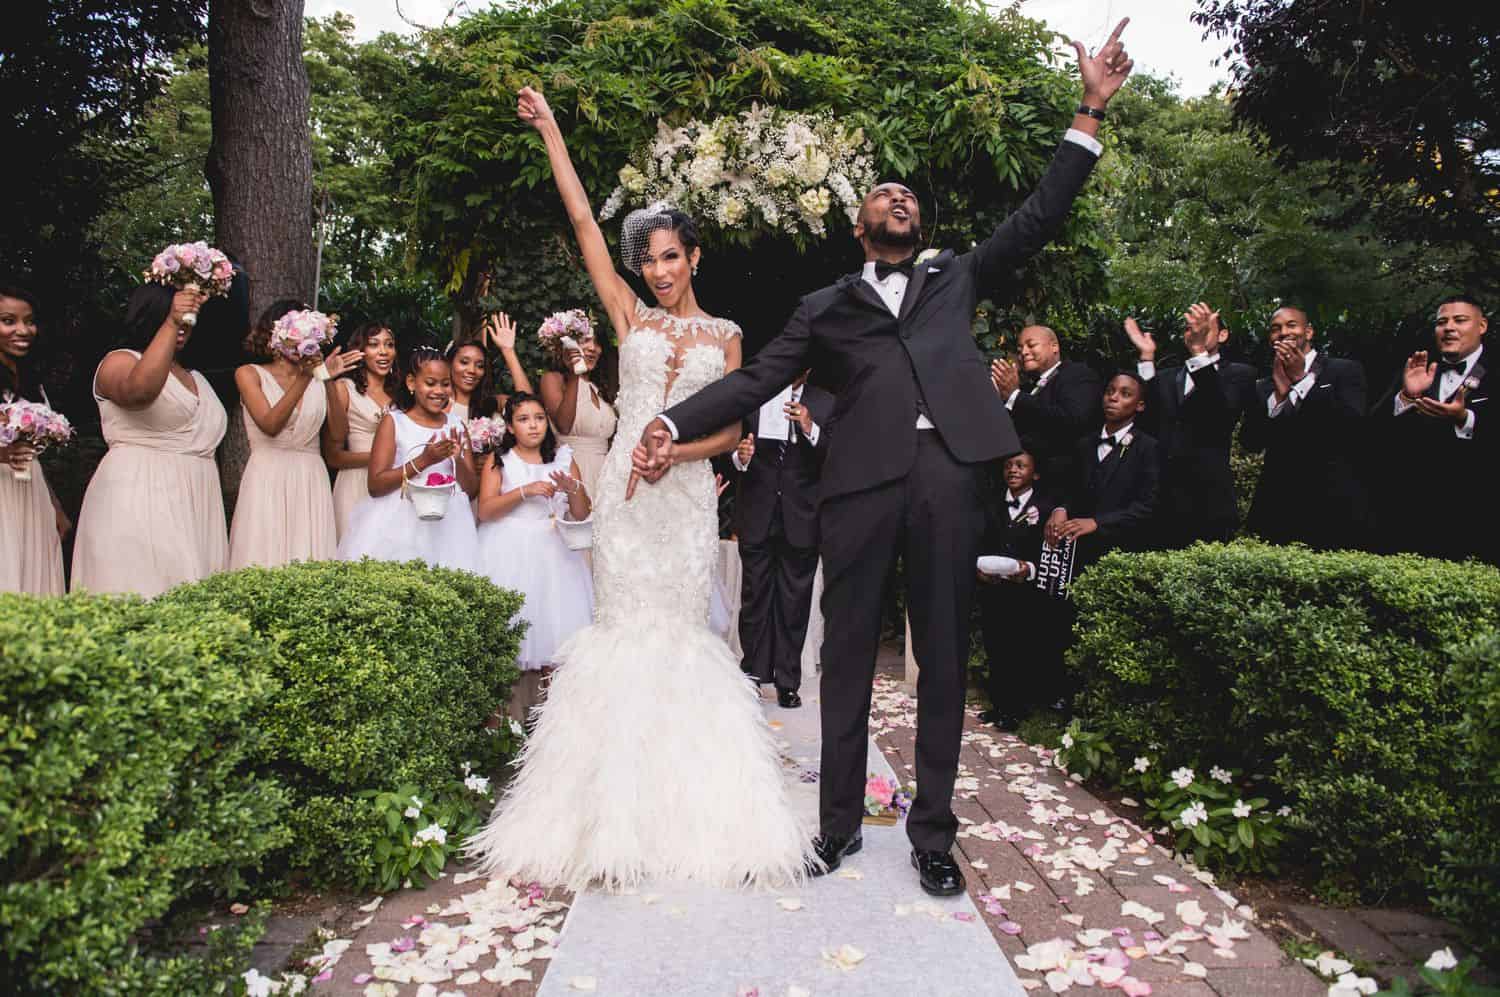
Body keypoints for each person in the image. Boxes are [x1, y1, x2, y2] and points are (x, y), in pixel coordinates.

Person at [635, 23, 1135, 896]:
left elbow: (1041, 213)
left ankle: (933, 836)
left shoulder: (957, 277)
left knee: (944, 654)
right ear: (861, 225)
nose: (898, 198)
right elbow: (756, 377)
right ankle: (837, 827)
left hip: (949, 478)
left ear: (917, 225)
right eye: (883, 193)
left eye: (908, 194)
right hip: (857, 487)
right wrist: (673, 424)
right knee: (847, 654)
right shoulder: (825, 306)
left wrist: (1090, 108)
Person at [467, 86, 812, 891]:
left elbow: (733, 431)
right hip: (625, 500)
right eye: (647, 259)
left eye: (670, 256)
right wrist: (552, 127)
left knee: (684, 633)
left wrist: (681, 449)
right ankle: (608, 816)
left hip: (687, 497)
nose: (657, 271)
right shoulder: (629, 319)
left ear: (694, 257)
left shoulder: (727, 336)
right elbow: (585, 222)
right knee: (623, 630)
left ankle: (697, 813)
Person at [72, 284, 230, 596]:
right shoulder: (118, 361)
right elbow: (139, 393)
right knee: (141, 593)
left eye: (189, 318)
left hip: (199, 504)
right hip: (140, 494)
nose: (184, 323)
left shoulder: (197, 377)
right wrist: (171, 323)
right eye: (175, 315)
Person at [474, 392, 594, 725]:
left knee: (558, 643)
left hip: (555, 554)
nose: (533, 425)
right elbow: (485, 510)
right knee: (509, 640)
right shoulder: (500, 461)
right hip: (508, 549)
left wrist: (572, 489)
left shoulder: (563, 457)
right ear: (511, 427)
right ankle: (497, 730)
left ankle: (555, 728)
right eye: (524, 419)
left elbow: (583, 513)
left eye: (539, 417)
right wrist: (524, 491)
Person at [730, 370, 833, 708]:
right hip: (758, 512)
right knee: (754, 597)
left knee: (794, 602)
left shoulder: (825, 401)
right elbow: (731, 445)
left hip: (801, 517)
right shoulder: (755, 394)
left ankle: (788, 682)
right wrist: (739, 458)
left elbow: (835, 456)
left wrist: (809, 427)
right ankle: (752, 675)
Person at [229, 303, 356, 569]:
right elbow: (270, 424)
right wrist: (305, 378)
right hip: (267, 474)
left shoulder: (318, 378)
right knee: (263, 556)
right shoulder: (249, 373)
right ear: (278, 334)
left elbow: (339, 433)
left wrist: (327, 379)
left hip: (311, 477)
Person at [1372, 295, 1494, 563]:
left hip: (1483, 518)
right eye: (1441, 322)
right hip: (1412, 519)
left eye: (1460, 320)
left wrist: (1465, 419)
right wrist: (1406, 397)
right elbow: (1373, 432)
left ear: (1482, 325)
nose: (1449, 327)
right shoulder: (1418, 368)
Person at [335, 347, 480, 571]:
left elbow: (471, 491)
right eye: (430, 383)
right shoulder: (394, 422)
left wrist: (456, 459)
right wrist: (424, 460)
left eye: (445, 384)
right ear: (412, 383)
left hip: (449, 527)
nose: (439, 391)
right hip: (399, 523)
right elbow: (375, 485)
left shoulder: (456, 425)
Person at [1123, 304, 1255, 548]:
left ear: (1223, 335)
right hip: (1161, 501)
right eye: (1189, 328)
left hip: (1208, 501)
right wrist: (1146, 356)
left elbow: (1220, 412)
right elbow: (1146, 415)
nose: (1194, 332)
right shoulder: (1168, 376)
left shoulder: (1240, 374)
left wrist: (1198, 353)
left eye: (1203, 327)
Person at [1239, 306, 1370, 550]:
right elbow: (1251, 441)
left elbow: (1351, 426)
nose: (1283, 332)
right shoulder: (1263, 386)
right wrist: (1278, 399)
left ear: (1308, 332)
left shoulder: (1344, 371)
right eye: (1275, 328)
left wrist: (1300, 382)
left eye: (1291, 325)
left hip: (1331, 504)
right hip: (1276, 508)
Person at [975, 451, 1061, 728]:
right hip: (994, 589)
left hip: (1026, 593)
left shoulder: (1046, 508)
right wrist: (979, 570)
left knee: (1021, 648)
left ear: (1035, 474)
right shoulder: (992, 504)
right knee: (996, 646)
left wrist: (1030, 570)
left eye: (1021, 466)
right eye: (1009, 465)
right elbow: (982, 543)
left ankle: (1017, 709)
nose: (1013, 470)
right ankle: (999, 704)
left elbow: (1050, 553)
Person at [1045, 372, 1160, 570]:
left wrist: (1098, 523)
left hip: (1121, 556)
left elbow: (1147, 507)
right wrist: (1060, 510)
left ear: (1139, 405)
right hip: (1073, 556)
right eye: (1110, 391)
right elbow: (1069, 490)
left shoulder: (1149, 448)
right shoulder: (1083, 444)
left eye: (1125, 394)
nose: (1113, 397)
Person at [0, 285, 67, 594]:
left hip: (31, 487)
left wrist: (53, 505)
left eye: (29, 321)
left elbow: (32, 452)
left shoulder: (29, 379)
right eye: (8, 320)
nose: (23, 330)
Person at [989, 325, 1101, 489]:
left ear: (1054, 346)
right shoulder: (1029, 388)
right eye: (1020, 348)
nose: (1024, 352)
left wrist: (1015, 396)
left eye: (1031, 345)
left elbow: (1073, 420)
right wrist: (999, 400)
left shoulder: (1077, 374)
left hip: (1063, 486)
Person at [324, 322, 399, 540]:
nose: (384, 351)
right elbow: (333, 456)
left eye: (389, 345)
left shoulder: (401, 395)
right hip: (355, 484)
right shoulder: (343, 388)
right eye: (374, 345)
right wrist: (382, 459)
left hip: (392, 485)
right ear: (360, 352)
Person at [536, 315, 619, 501]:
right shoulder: (553, 379)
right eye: (585, 341)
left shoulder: (602, 388)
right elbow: (564, 425)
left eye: (597, 344)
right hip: (573, 470)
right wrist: (575, 374)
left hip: (606, 473)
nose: (592, 348)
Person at [446, 338, 496, 421]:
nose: (472, 370)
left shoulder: (492, 404)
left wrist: (508, 351)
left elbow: (524, 402)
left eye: (480, 366)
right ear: (449, 363)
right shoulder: (435, 404)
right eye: (464, 362)